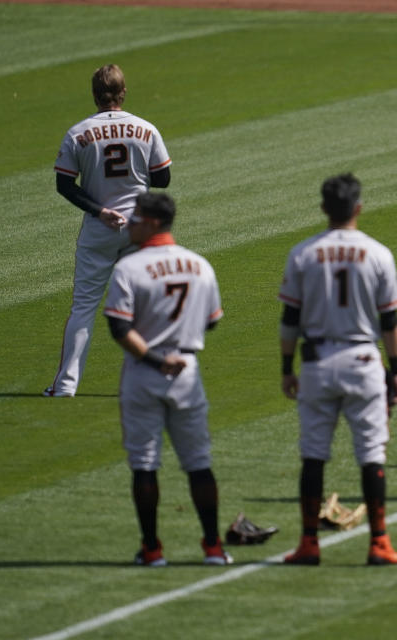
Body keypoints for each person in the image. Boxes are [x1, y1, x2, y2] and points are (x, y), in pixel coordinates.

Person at [279, 173, 397, 566]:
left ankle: (308, 544)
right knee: (371, 453)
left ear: (323, 209)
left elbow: (289, 319)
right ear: (358, 208)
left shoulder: (302, 253)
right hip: (364, 362)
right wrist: (396, 369)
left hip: (316, 363)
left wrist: (286, 367)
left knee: (314, 455)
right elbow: (390, 321)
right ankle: (379, 543)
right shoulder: (378, 253)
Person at [103, 192, 231, 567]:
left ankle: (152, 549)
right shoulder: (200, 264)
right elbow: (212, 320)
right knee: (198, 462)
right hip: (187, 371)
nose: (130, 222)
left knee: (145, 464)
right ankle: (213, 548)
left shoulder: (129, 268)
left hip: (145, 372)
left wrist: (156, 358)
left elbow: (119, 327)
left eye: (137, 217)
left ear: (155, 222)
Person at [46, 63, 172, 397]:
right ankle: (154, 381)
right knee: (147, 304)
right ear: (123, 92)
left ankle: (65, 387)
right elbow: (162, 179)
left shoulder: (78, 133)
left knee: (84, 307)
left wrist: (100, 210)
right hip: (140, 229)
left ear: (94, 95)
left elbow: (64, 185)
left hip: (99, 229)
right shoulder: (146, 128)